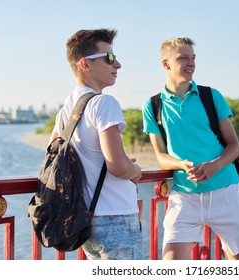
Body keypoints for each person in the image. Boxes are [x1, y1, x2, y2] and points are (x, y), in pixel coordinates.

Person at [142, 37, 239, 260]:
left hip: (227, 191)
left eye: (193, 58)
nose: (190, 63)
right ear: (166, 64)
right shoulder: (153, 106)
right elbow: (161, 156)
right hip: (184, 196)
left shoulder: (211, 96)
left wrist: (214, 165)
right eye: (183, 58)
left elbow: (234, 145)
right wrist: (181, 164)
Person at [49, 28, 143, 260]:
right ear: (85, 64)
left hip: (86, 221)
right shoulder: (104, 103)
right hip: (116, 216)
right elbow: (118, 167)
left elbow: (53, 156)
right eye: (109, 57)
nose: (117, 64)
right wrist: (135, 170)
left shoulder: (65, 111)